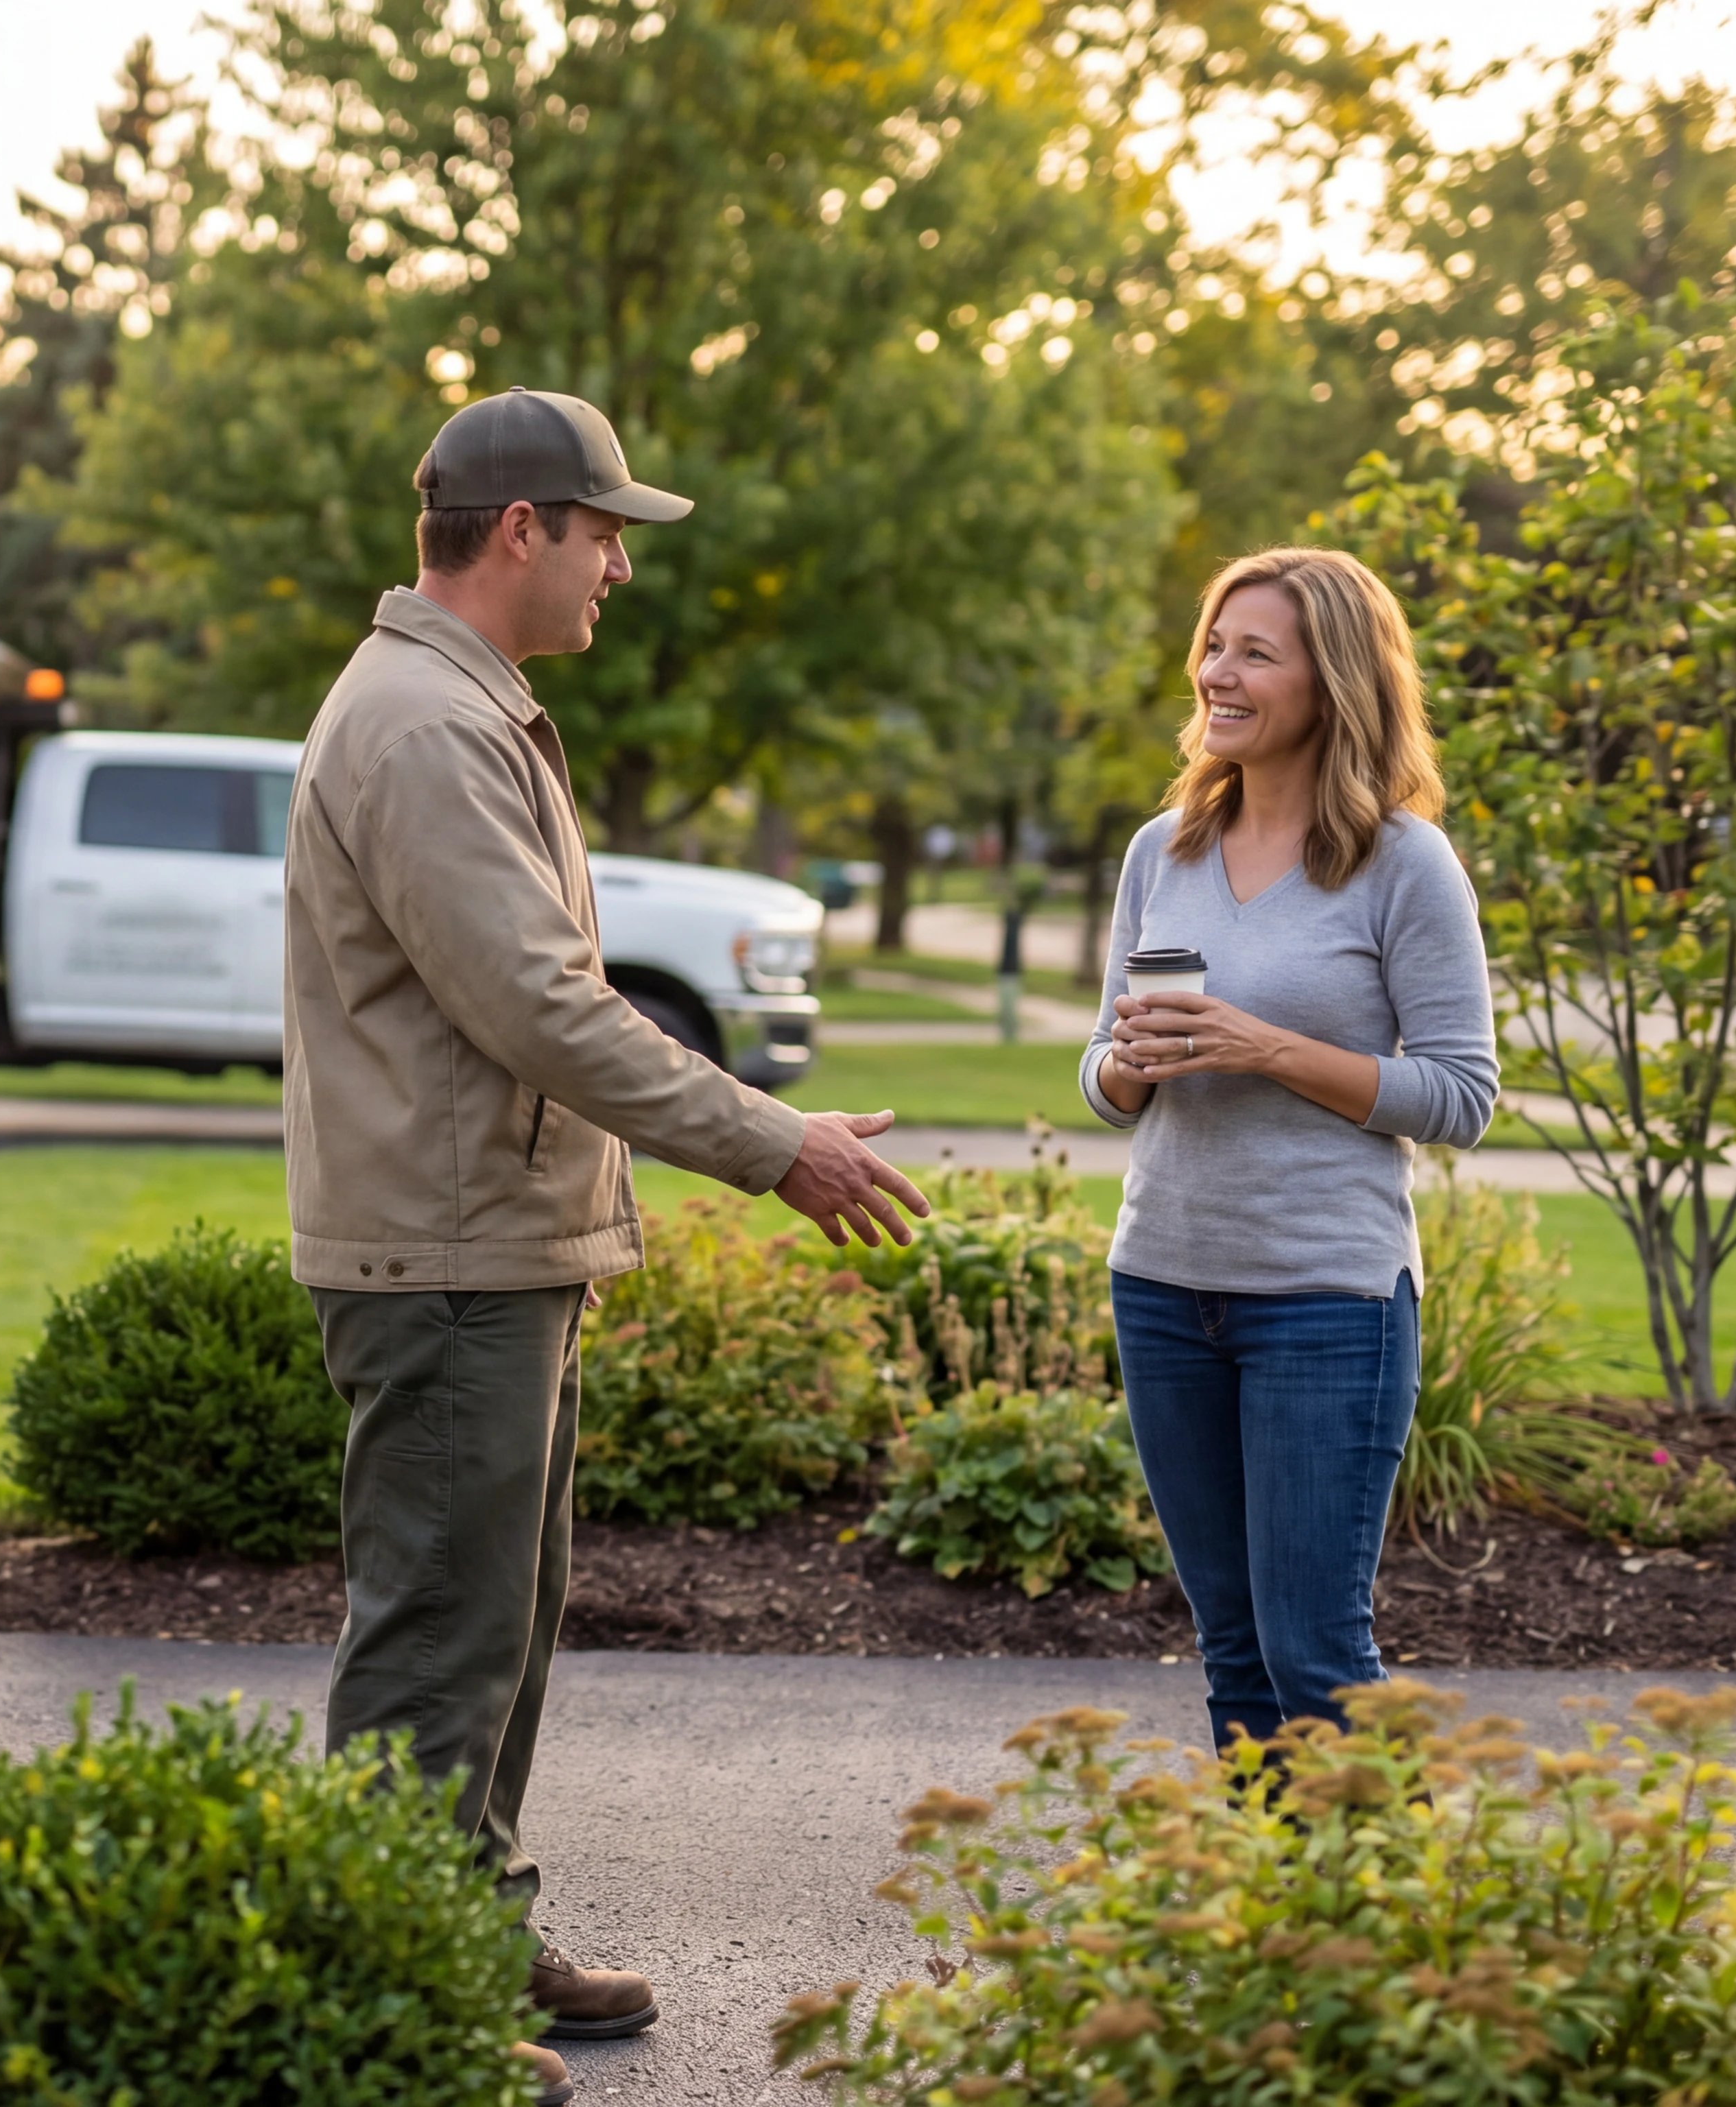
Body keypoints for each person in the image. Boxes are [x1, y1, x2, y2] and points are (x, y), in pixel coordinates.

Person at [284, 387, 929, 2095]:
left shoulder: (464, 706)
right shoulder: (426, 726)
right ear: (522, 530)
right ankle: (391, 2000)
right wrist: (767, 1142)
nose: (619, 569)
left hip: (488, 1245)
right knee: (437, 1632)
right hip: (442, 1259)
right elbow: (541, 1008)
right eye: (607, 532)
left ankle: (464, 1920)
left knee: (496, 1618)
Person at [1080, 546, 1499, 1754]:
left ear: (1336, 681)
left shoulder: (1402, 864)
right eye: (1214, 644)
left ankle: (1390, 1932)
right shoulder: (1163, 851)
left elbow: (1462, 1096)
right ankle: (1268, 1930)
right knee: (1230, 1649)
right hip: (1163, 1284)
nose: (1218, 671)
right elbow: (1106, 1070)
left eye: (1255, 652)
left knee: (1316, 1652)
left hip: (1326, 1302)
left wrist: (1268, 1049)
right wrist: (1127, 1067)